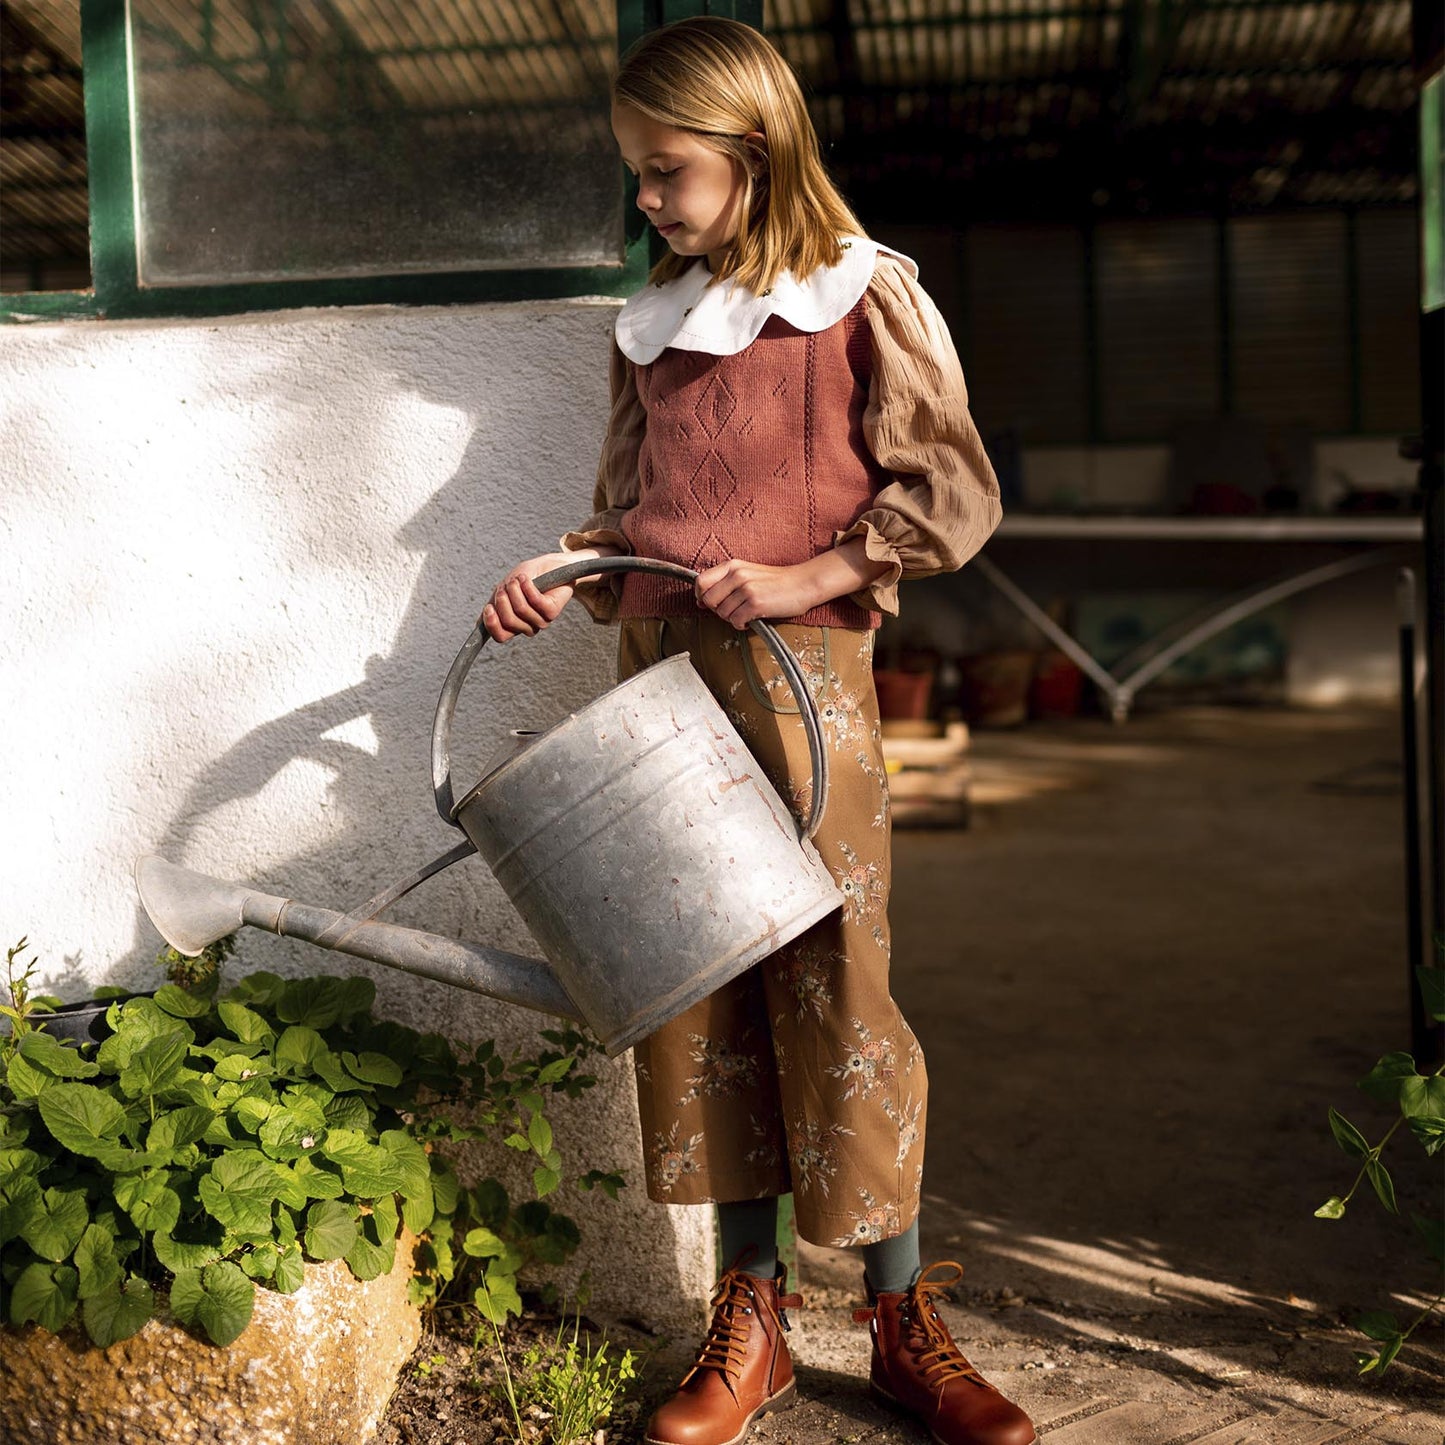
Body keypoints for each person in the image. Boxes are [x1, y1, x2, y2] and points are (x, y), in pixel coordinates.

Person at [482, 17, 1033, 1445]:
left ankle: (901, 1315)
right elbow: (637, 509)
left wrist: (808, 571)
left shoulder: (862, 294)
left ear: (756, 150)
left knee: (834, 974)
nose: (649, 204)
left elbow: (952, 495)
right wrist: (560, 567)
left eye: (667, 173)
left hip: (804, 676)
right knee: (699, 977)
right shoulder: (652, 324)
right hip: (659, 671)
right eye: (637, 178)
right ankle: (752, 1318)